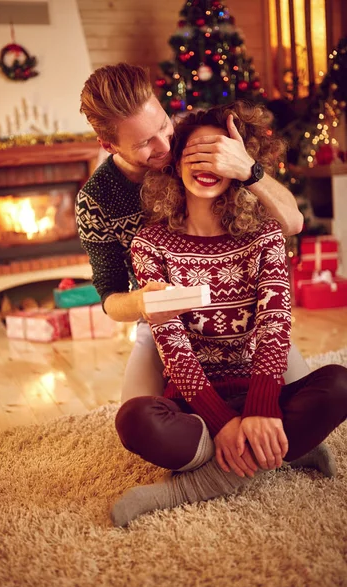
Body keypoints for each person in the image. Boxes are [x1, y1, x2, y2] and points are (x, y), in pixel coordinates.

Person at [111, 101, 347, 527]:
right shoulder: (150, 244)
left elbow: (276, 325)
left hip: (259, 386)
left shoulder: (265, 235)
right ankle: (281, 453)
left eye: (219, 155)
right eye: (195, 154)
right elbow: (173, 347)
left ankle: (196, 484)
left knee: (341, 383)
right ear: (175, 164)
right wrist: (222, 423)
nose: (207, 165)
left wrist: (260, 410)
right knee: (133, 420)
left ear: (238, 165)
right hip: (194, 405)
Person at [76, 63, 308, 407]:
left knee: (304, 396)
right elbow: (110, 297)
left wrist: (248, 168)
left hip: (244, 316)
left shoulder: (191, 140)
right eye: (144, 143)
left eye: (162, 125)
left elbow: (292, 222)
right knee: (136, 416)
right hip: (165, 327)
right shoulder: (97, 200)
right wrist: (144, 302)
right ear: (108, 145)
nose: (165, 146)